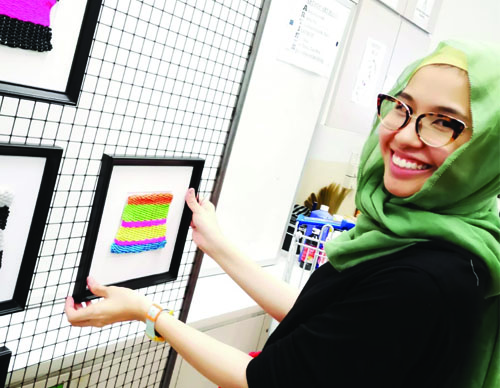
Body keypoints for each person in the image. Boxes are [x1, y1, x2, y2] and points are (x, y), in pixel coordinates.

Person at [65, 40, 500, 388]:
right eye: (403, 108)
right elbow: (327, 322)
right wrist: (218, 246)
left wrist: (148, 313)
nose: (404, 136)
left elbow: (264, 380)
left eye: (444, 122)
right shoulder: (429, 237)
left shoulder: (424, 279)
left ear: (487, 149)